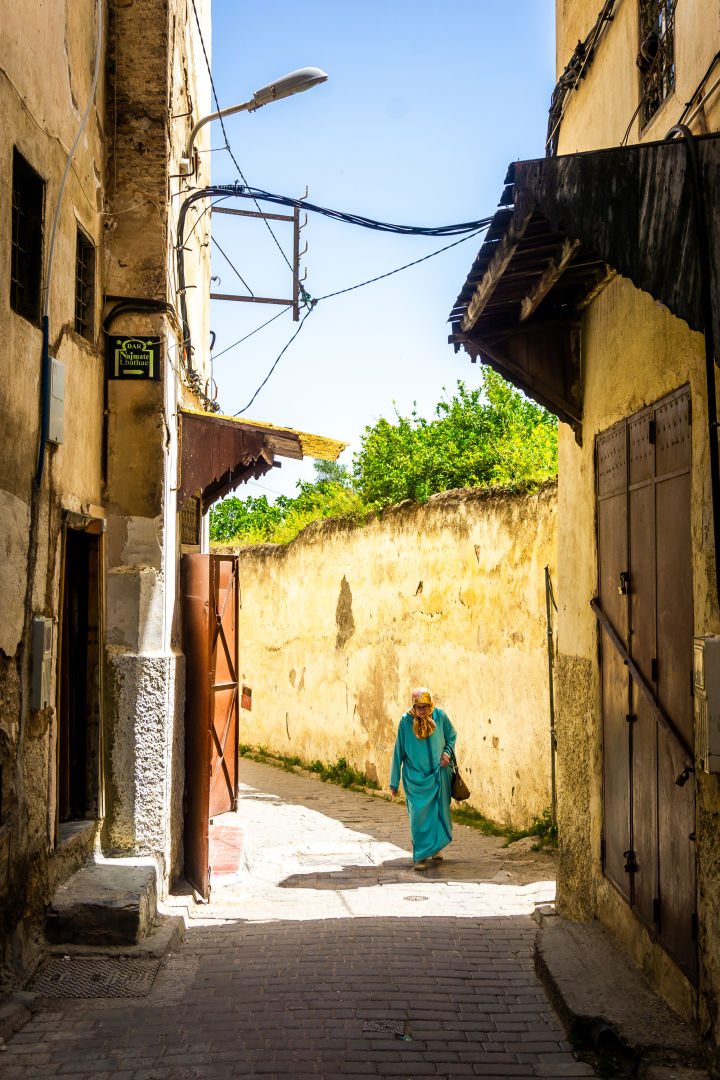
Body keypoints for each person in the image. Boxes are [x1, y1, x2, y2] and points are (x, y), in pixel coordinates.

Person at [389, 687, 456, 870]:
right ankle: (420, 855)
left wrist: (447, 753)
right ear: (413, 706)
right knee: (418, 816)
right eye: (418, 707)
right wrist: (394, 782)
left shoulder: (440, 717)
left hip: (438, 773)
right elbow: (398, 751)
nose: (422, 711)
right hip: (415, 777)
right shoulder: (406, 722)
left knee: (437, 813)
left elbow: (451, 736)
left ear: (430, 705)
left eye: (425, 706)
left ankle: (435, 848)